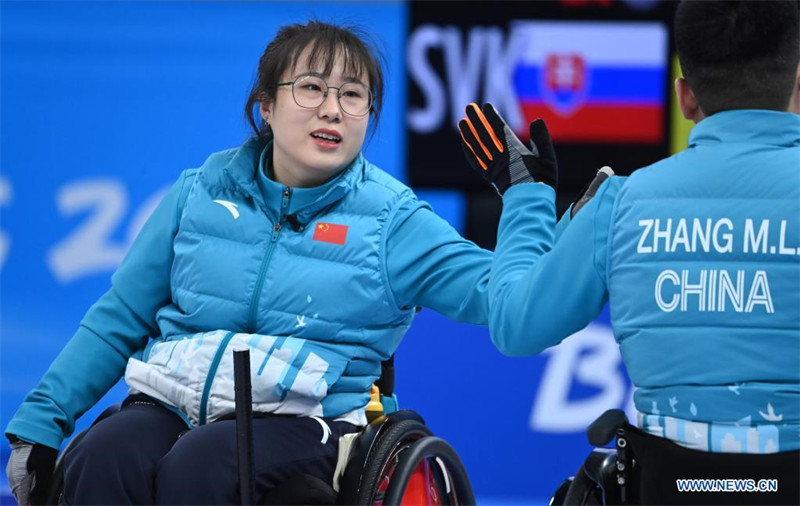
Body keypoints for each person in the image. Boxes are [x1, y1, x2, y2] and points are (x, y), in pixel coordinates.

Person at [5, 21, 493, 505]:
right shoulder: (199, 191)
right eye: (310, 88)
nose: (331, 110)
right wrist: (40, 425)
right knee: (105, 454)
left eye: (352, 95)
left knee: (203, 464)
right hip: (177, 401)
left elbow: (507, 296)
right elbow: (120, 317)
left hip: (309, 423)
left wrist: (525, 199)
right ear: (266, 106)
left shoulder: (392, 219)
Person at [459, 0, 799, 503]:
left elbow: (515, 324)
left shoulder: (618, 202)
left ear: (685, 97)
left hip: (666, 488)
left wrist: (525, 194)